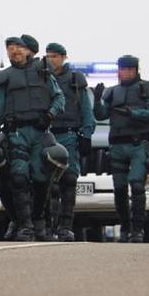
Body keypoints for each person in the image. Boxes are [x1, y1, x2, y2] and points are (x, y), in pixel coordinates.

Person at [0, 36, 64, 242]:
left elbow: (59, 98)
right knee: (18, 179)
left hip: (40, 133)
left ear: (27, 51)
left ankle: (39, 222)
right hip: (16, 134)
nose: (14, 52)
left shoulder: (43, 72)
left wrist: (50, 115)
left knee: (41, 179)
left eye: (18, 48)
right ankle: (25, 226)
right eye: (10, 49)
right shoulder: (6, 77)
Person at [93, 55, 149, 243]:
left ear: (136, 70)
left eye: (130, 69)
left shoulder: (146, 90)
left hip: (138, 144)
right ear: (119, 71)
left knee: (137, 185)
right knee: (120, 188)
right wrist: (97, 100)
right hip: (117, 145)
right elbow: (100, 115)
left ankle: (137, 230)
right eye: (124, 69)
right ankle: (125, 227)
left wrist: (134, 113)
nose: (127, 73)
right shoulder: (112, 93)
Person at [45, 42, 95, 242]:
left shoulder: (75, 79)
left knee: (68, 181)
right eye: (48, 56)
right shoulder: (43, 78)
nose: (51, 60)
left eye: (55, 56)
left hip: (69, 135)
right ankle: (48, 226)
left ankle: (65, 226)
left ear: (64, 57)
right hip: (48, 135)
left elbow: (86, 110)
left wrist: (87, 136)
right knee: (48, 184)